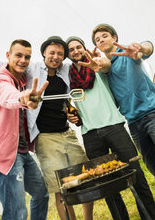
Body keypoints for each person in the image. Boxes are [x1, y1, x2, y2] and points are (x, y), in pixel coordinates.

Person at [0, 36, 93, 220]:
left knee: (54, 190)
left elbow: (67, 94)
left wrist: (71, 112)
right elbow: (5, 85)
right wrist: (23, 98)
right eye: (52, 52)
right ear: (43, 53)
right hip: (24, 146)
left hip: (46, 141)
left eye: (60, 54)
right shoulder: (20, 74)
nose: (56, 56)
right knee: (36, 201)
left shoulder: (62, 71)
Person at [66, 36, 155, 220]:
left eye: (78, 47)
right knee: (107, 187)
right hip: (89, 135)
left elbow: (106, 65)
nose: (75, 51)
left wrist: (100, 62)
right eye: (71, 49)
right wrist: (71, 115)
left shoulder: (98, 65)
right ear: (68, 55)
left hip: (114, 127)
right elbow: (70, 104)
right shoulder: (69, 78)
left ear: (84, 48)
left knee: (136, 175)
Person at [0, 39, 49, 220]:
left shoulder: (22, 79)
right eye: (18, 55)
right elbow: (7, 96)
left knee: (41, 195)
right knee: (17, 213)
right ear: (8, 56)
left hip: (22, 151)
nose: (23, 60)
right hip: (5, 154)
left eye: (27, 57)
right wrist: (22, 98)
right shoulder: (0, 80)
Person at [91, 23, 155, 177]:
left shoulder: (129, 52)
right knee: (152, 165)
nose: (100, 40)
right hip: (133, 123)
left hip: (152, 113)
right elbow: (106, 68)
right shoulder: (102, 67)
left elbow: (148, 48)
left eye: (104, 36)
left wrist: (140, 48)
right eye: (97, 40)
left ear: (114, 37)